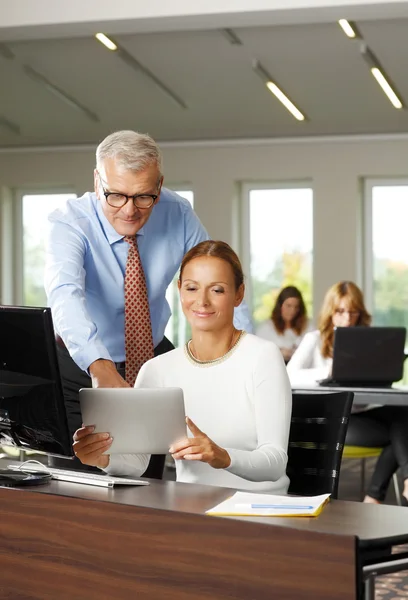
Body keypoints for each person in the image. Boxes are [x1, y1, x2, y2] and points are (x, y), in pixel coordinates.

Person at [45, 131, 252, 473]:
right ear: (98, 181)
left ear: (159, 184)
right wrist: (100, 366)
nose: (130, 210)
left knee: (147, 481)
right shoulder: (70, 222)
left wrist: (240, 355)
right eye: (116, 195)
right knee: (82, 481)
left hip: (151, 357)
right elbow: (65, 295)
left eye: (144, 196)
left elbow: (220, 280)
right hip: (79, 362)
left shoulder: (177, 213)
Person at [73, 241, 292, 493]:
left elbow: (275, 462)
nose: (202, 301)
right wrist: (101, 458)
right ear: (180, 290)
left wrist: (222, 456)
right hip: (190, 511)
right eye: (191, 288)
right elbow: (136, 462)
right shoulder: (158, 369)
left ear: (239, 294)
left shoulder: (262, 356)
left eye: (217, 290)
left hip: (258, 511)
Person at [287, 281, 408, 506]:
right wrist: (328, 371)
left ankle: (381, 494)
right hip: (334, 422)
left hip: (364, 416)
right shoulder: (314, 339)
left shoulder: (369, 342)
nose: (347, 319)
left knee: (404, 417)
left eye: (353, 312)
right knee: (402, 433)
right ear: (330, 312)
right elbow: (289, 375)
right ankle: (376, 496)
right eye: (341, 311)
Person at [256, 285, 308, 363]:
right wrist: (279, 352)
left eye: (296, 307)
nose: (292, 311)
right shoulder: (266, 328)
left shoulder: (307, 326)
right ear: (280, 306)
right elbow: (259, 353)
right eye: (288, 306)